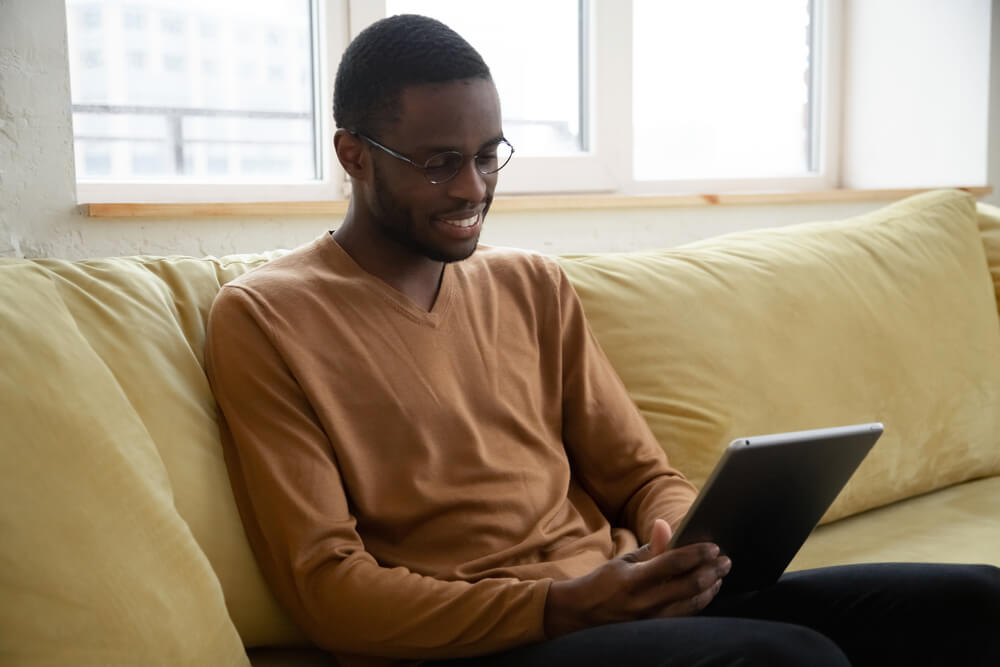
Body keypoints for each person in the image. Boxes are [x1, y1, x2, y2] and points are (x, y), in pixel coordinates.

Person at [205, 14, 1000, 667]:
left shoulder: (531, 285)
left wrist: (684, 540)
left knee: (974, 602)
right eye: (441, 163)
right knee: (790, 658)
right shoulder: (267, 318)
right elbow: (328, 588)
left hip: (621, 597)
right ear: (353, 156)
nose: (474, 189)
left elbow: (642, 474)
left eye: (488, 157)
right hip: (493, 639)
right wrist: (558, 606)